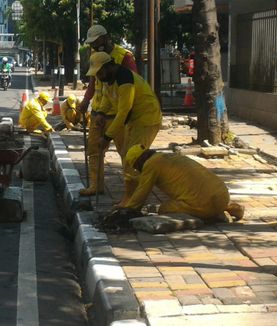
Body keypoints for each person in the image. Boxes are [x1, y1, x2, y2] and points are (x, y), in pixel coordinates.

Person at [86, 51, 162, 207]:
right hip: (134, 120)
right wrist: (101, 113)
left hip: (147, 119)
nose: (98, 76)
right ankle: (132, 197)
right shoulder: (109, 79)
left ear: (109, 67)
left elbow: (123, 112)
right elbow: (108, 98)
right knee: (129, 156)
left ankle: (131, 200)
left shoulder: (124, 80)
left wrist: (106, 137)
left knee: (132, 158)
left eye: (100, 72)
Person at [79, 25, 138, 196]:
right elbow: (92, 83)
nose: (94, 46)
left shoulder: (124, 57)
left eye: (96, 42)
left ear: (106, 38)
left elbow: (134, 84)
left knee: (126, 153)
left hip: (118, 114)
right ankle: (96, 185)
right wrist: (85, 101)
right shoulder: (94, 56)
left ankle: (131, 192)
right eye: (91, 43)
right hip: (98, 112)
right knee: (94, 151)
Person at [119, 144, 245, 221]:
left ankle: (211, 215)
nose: (138, 170)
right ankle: (230, 208)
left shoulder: (151, 165)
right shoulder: (165, 157)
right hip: (222, 194)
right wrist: (135, 179)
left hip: (202, 204)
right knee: (208, 198)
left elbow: (142, 193)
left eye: (137, 167)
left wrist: (127, 211)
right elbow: (145, 179)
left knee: (164, 209)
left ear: (139, 161)